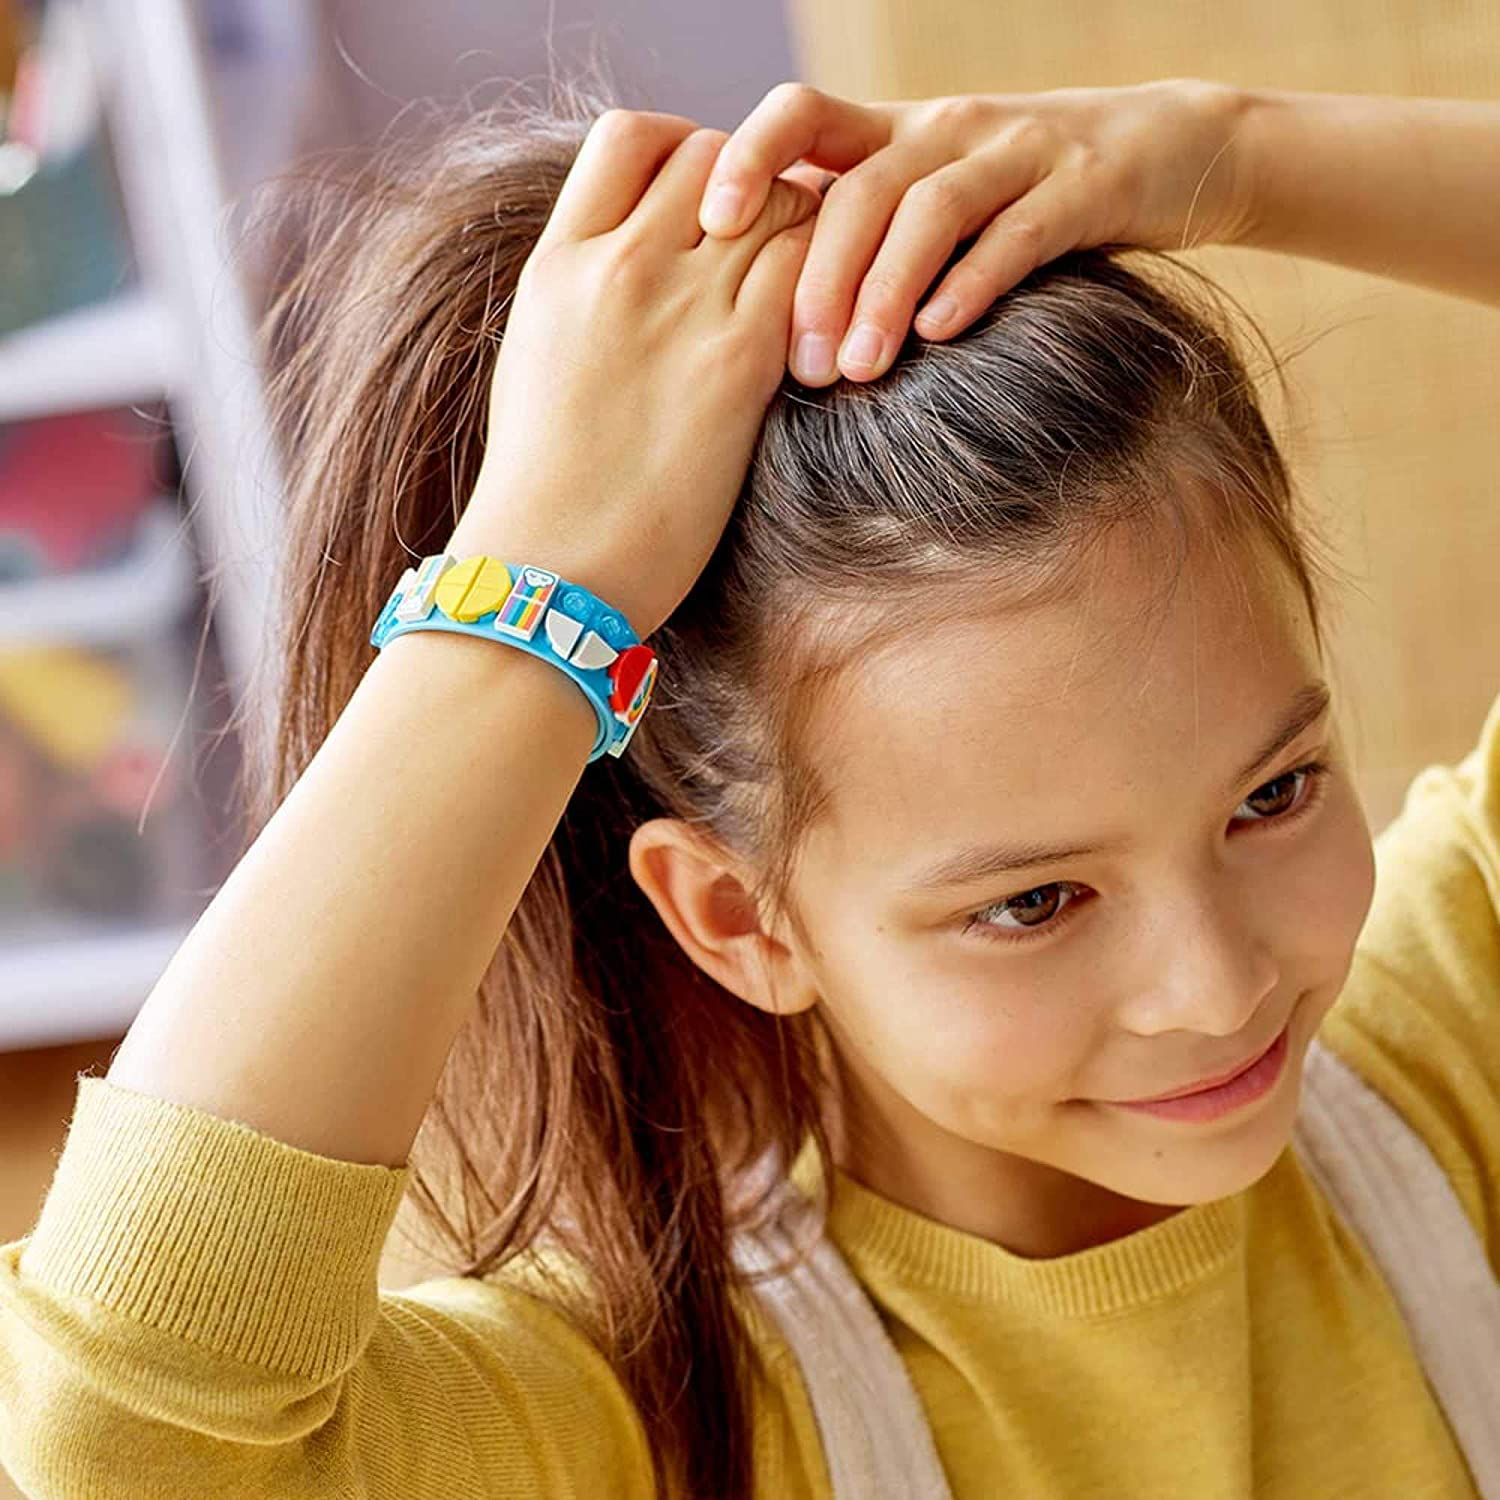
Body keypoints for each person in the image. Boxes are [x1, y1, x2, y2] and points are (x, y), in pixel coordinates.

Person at [1, 67, 1497, 1500]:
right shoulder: (668, 1425)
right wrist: (541, 584)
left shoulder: (1458, 1053)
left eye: (1274, 795)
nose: (1216, 984)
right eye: (1033, 900)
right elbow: (132, 1443)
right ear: (739, 918)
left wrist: (1226, 149)